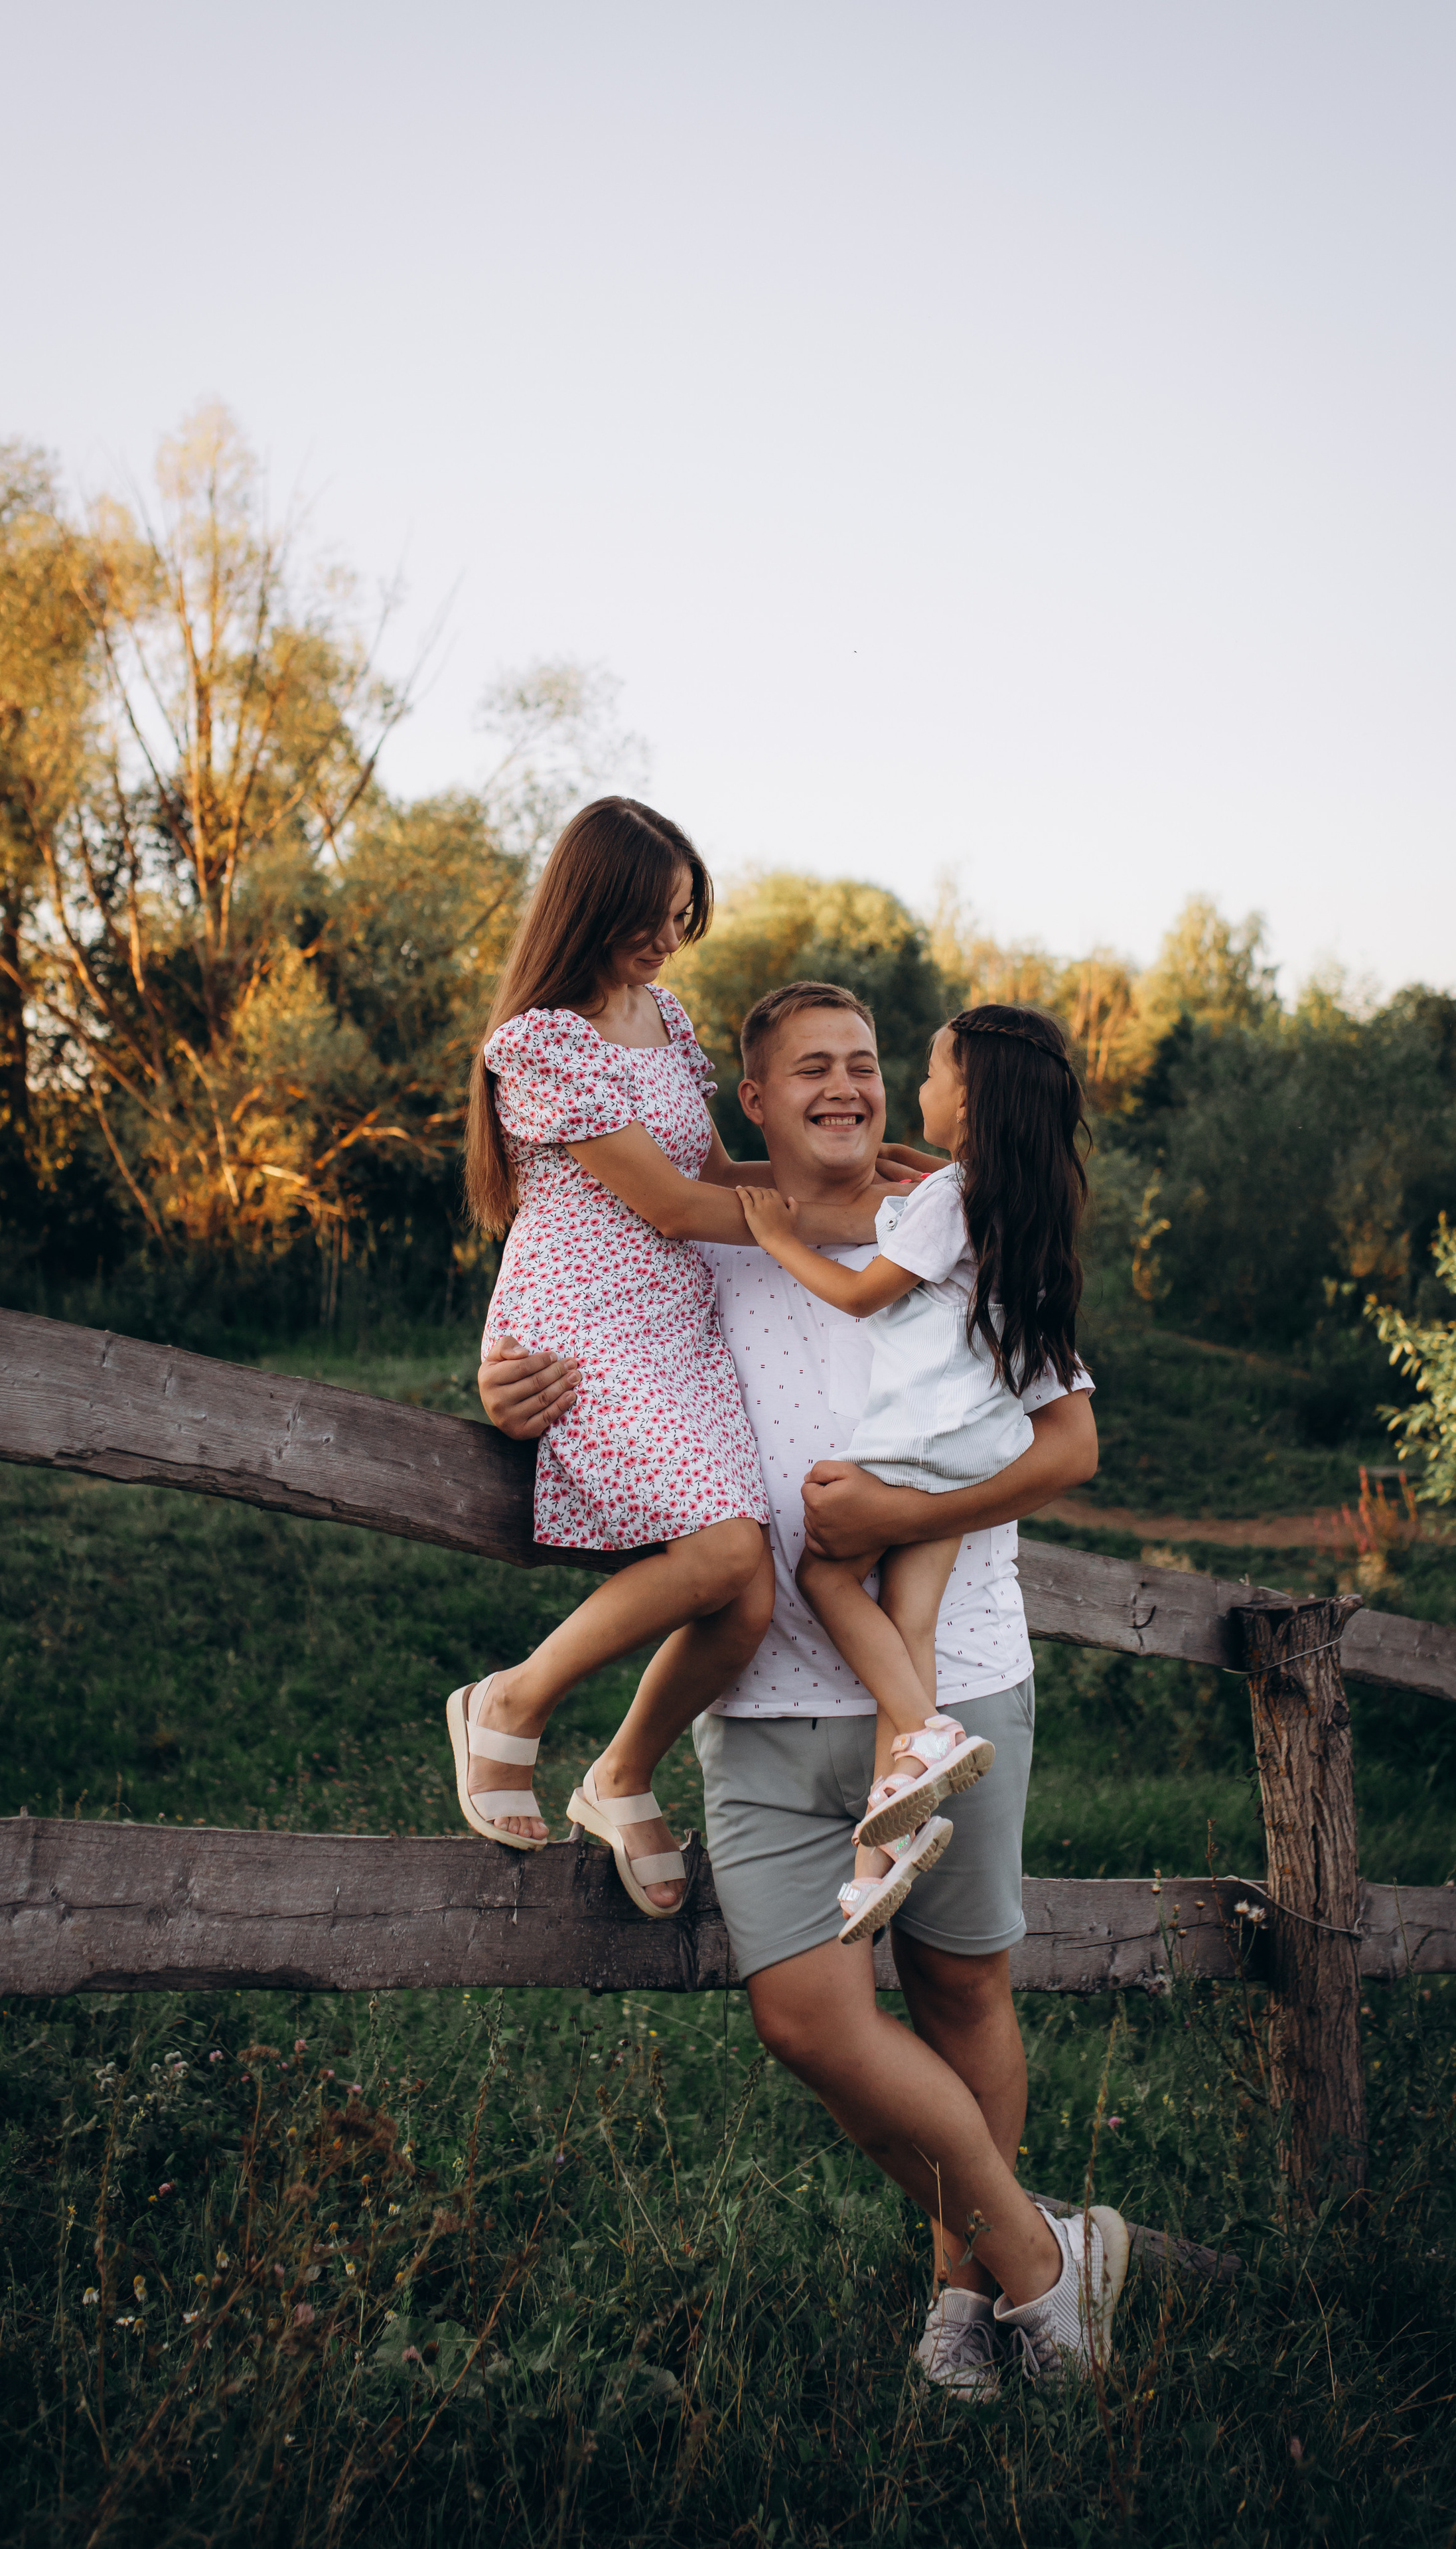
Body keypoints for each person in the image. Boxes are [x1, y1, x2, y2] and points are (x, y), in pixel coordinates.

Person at [480, 980, 1125, 2388]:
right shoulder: (706, 1234)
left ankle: (965, 2306)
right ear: (750, 1103)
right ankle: (1036, 2257)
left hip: (956, 1687)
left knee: (961, 1998)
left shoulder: (959, 1224)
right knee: (805, 2018)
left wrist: (893, 1519)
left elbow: (1068, 1442)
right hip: (765, 1703)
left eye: (866, 1064)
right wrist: (506, 1385)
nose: (845, 1088)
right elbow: (577, 1301)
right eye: (809, 1071)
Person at [457, 803, 907, 1918]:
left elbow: (712, 1167)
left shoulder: (663, 1015)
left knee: (745, 1599)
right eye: (648, 920)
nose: (667, 942)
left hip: (678, 1330)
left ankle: (618, 1779)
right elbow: (666, 1203)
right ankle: (507, 1703)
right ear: (590, 907)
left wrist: (865, 1179)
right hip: (585, 1332)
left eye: (680, 918)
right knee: (721, 1554)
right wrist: (852, 1225)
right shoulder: (539, 1043)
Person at [735, 1005, 1088, 1950]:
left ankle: (925, 1733)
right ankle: (882, 1856)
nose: (917, 1089)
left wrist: (775, 1235)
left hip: (918, 1444)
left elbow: (858, 1295)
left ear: (968, 1100)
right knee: (911, 1618)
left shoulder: (949, 1198)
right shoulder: (1016, 1201)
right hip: (977, 1447)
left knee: (824, 1573)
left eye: (928, 1074)